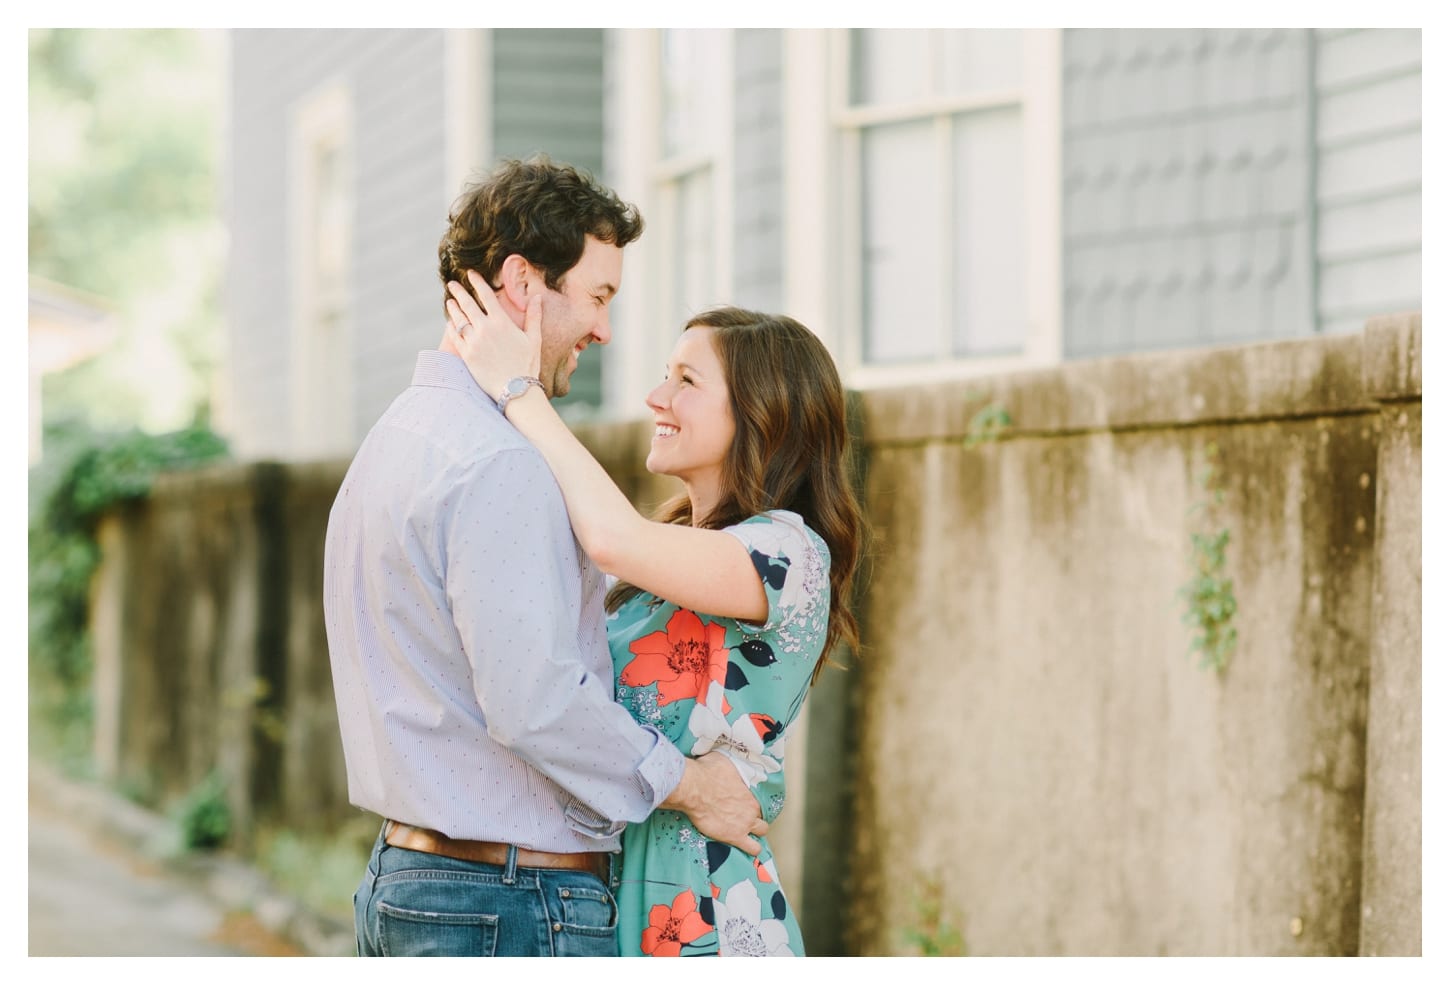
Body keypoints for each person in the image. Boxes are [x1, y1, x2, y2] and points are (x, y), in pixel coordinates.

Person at [323, 156, 767, 959]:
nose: (604, 329)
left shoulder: (391, 442)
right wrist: (695, 786)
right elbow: (536, 699)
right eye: (598, 297)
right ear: (522, 284)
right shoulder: (500, 462)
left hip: (413, 882)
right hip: (507, 903)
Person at [444, 273, 865, 956]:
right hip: (613, 894)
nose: (655, 398)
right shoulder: (658, 570)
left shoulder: (788, 552)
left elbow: (611, 536)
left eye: (686, 382)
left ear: (764, 412)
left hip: (706, 906)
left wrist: (517, 389)